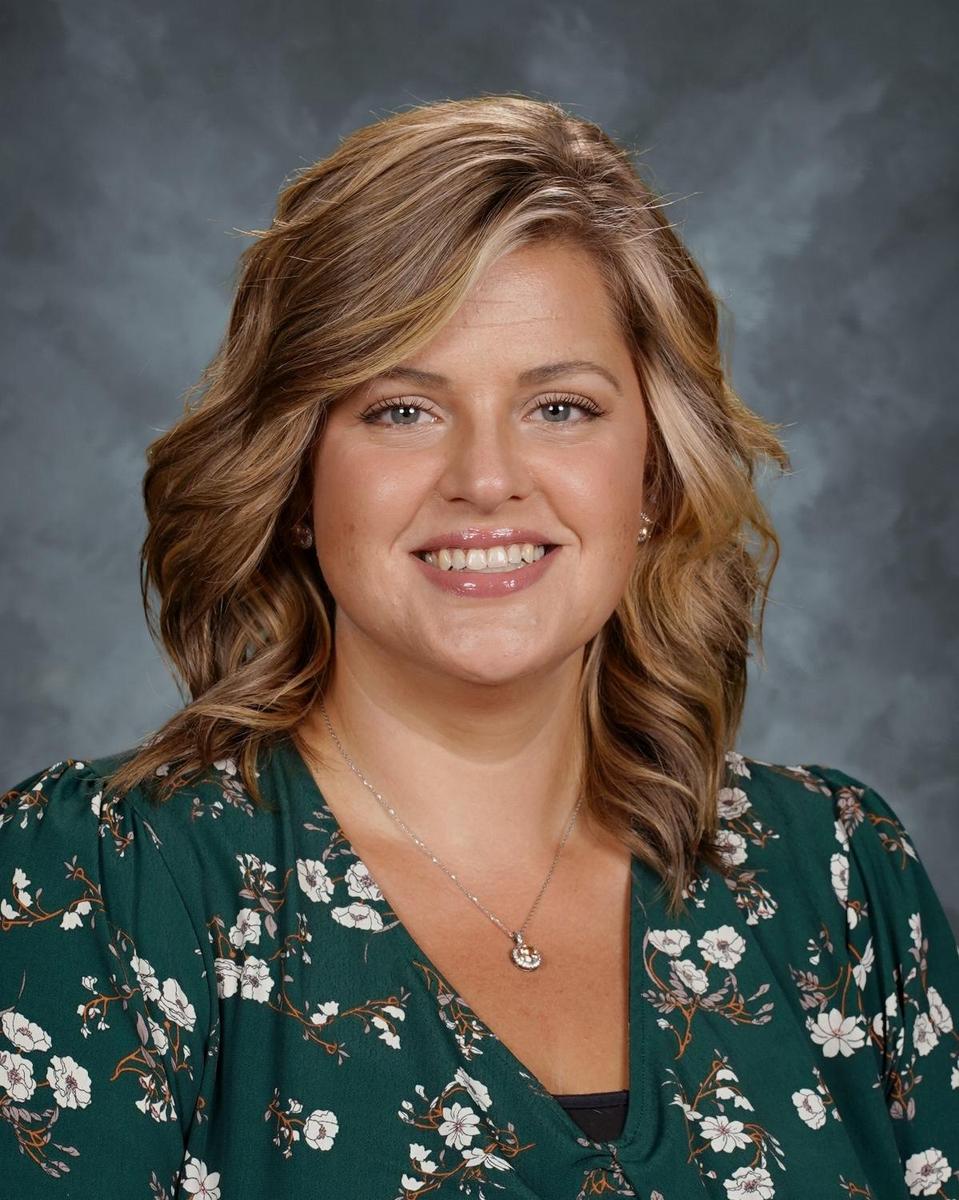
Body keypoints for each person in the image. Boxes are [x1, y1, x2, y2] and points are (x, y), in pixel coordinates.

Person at [1, 94, 957, 1200]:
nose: (486, 478)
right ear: (299, 480)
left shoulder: (833, 876)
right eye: (401, 410)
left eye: (559, 407)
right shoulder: (99, 883)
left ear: (650, 472)